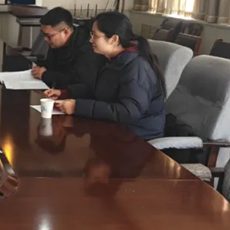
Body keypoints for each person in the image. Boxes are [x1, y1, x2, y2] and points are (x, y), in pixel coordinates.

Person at [47, 12, 166, 140]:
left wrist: (77, 107)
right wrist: (65, 92)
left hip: (137, 137)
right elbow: (97, 90)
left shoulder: (136, 67)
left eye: (95, 35)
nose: (90, 40)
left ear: (114, 39)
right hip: (115, 128)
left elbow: (129, 112)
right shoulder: (108, 59)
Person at [30, 7, 104, 95]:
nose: (45, 39)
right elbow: (51, 66)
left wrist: (46, 75)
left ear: (65, 32)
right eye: (43, 34)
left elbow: (80, 80)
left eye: (48, 36)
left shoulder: (86, 46)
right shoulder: (56, 43)